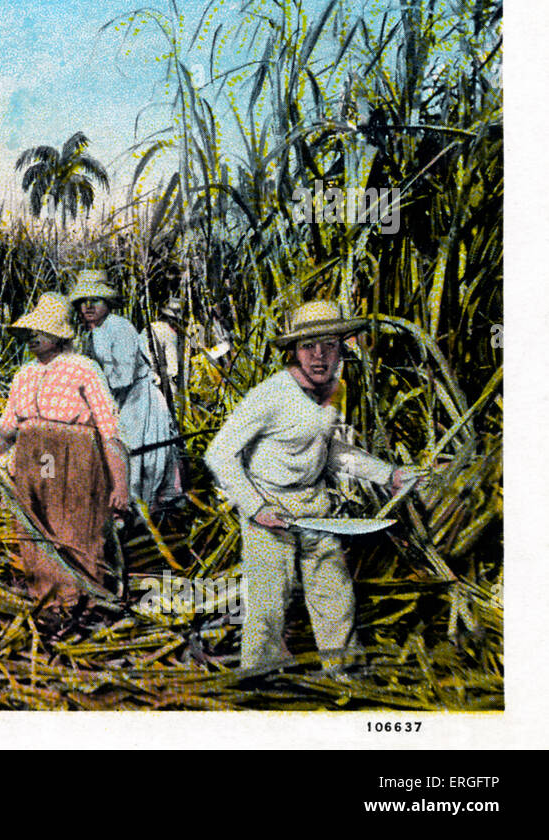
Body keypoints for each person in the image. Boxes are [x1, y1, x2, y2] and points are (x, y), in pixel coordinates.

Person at [204, 300, 410, 673]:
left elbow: (331, 451)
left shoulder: (334, 391)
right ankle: (260, 678)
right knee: (267, 605)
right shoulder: (270, 396)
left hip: (314, 507)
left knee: (335, 596)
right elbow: (219, 454)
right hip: (269, 507)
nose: (319, 356)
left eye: (328, 345)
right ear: (294, 353)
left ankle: (344, 673)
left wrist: (387, 475)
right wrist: (255, 508)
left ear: (341, 349)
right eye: (308, 347)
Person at [0, 292, 130, 611]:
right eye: (29, 333)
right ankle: (47, 600)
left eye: (39, 332)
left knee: (76, 528)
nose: (32, 338)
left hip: (76, 457)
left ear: (59, 334)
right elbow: (6, 429)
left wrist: (120, 483)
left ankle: (83, 600)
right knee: (35, 525)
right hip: (36, 457)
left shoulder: (83, 369)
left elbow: (110, 430)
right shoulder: (24, 374)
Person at [67, 270, 182, 510]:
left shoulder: (119, 327)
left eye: (95, 301)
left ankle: (138, 507)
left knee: (137, 453)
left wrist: (92, 390)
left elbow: (123, 376)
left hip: (136, 398)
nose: (88, 307)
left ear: (107, 303)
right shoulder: (91, 333)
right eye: (83, 302)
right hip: (115, 399)